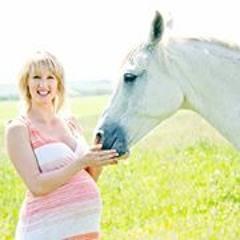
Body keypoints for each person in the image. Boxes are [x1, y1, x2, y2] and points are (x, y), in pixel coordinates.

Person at [5, 51, 121, 240]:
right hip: (45, 232)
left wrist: (97, 160)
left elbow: (91, 176)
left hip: (84, 231)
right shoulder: (19, 129)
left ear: (58, 83)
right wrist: (82, 161)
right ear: (26, 82)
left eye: (50, 77)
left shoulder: (70, 123)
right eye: (36, 77)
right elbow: (37, 186)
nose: (43, 84)